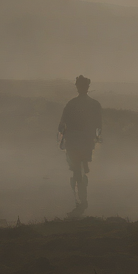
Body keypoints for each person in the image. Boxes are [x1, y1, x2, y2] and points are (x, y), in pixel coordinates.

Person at [57, 75, 102, 216]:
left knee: (76, 171)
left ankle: (80, 201)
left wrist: (63, 136)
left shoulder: (71, 104)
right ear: (88, 87)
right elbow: (99, 127)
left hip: (73, 142)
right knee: (82, 169)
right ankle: (83, 198)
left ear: (77, 87)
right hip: (87, 142)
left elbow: (61, 126)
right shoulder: (95, 104)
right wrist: (96, 139)